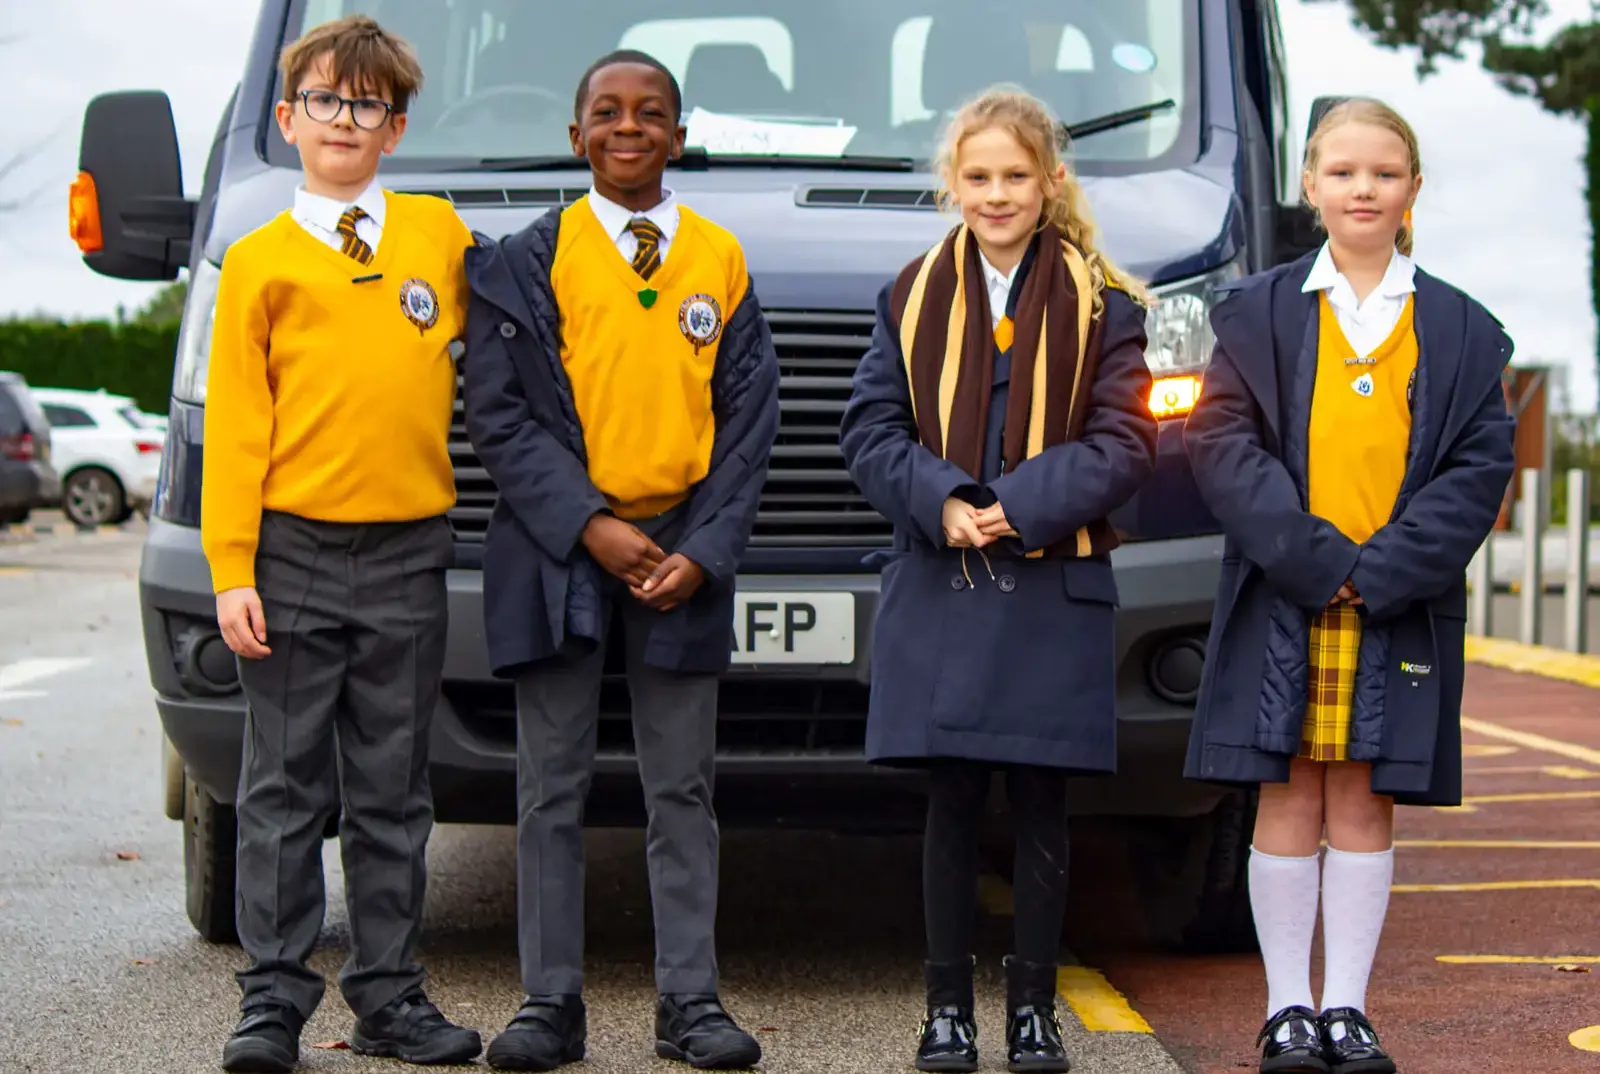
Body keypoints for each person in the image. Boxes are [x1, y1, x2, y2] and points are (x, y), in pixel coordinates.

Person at [459, 48, 779, 1073]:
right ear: (576, 136)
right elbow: (498, 416)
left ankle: (690, 1002)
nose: (627, 127)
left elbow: (749, 421)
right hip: (558, 553)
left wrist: (704, 549)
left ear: (679, 137)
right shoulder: (528, 260)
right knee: (549, 787)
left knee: (680, 789)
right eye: (606, 112)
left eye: (649, 113)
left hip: (680, 555)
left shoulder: (719, 258)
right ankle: (549, 1004)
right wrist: (589, 523)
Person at [1181, 97, 1517, 1074]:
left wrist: (1379, 573)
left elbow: (1477, 468)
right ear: (1309, 187)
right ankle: (1286, 1010)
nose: (1363, 189)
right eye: (1342, 172)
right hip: (1284, 594)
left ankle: (1347, 1010)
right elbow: (1221, 444)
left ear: (1413, 189)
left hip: (1396, 602)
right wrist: (1316, 562)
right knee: (1285, 793)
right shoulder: (1255, 312)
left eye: (1384, 173)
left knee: (1367, 799)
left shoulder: (1461, 327)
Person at [838, 86, 1159, 1074]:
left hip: (1049, 588)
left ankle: (1032, 1014)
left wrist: (1014, 505)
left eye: (1015, 175)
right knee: (950, 806)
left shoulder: (1104, 304)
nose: (996, 193)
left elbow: (1126, 441)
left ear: (1050, 181)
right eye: (977, 176)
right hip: (943, 583)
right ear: (953, 183)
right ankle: (946, 1012)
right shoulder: (909, 294)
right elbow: (870, 430)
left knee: (1041, 808)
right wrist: (939, 499)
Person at [200, 13, 484, 1074]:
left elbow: (520, 328)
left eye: (367, 106)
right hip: (291, 556)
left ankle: (389, 997)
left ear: (395, 129)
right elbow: (237, 425)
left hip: (408, 553)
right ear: (288, 118)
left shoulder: (438, 237)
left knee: (392, 792)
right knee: (282, 789)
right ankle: (272, 1001)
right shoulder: (259, 263)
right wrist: (232, 568)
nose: (345, 120)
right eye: (325, 100)